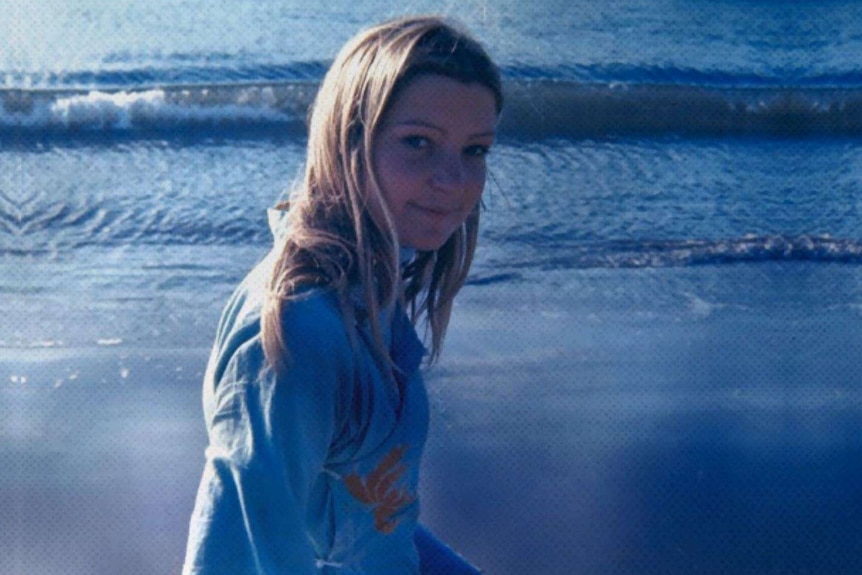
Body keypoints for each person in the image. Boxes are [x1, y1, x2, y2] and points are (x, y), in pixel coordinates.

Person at [182, 15, 502, 575]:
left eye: (475, 150)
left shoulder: (368, 297)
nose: (453, 181)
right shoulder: (297, 332)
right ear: (349, 143)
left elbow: (368, 517)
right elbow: (234, 556)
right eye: (418, 143)